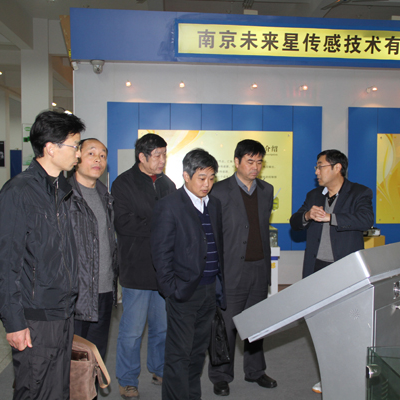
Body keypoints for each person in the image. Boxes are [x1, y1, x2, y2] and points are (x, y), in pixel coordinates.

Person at [0, 110, 84, 400]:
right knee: (35, 389)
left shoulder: (61, 190)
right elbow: (3, 263)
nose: (78, 154)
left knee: (57, 391)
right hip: (35, 316)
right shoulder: (19, 192)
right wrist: (14, 322)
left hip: (62, 311)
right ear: (51, 148)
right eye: (75, 146)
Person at [289, 149, 374, 394]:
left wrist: (331, 217)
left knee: (347, 326)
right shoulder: (314, 195)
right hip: (317, 269)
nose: (316, 171)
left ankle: (350, 374)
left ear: (337, 168)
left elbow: (366, 220)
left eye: (320, 166)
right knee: (321, 326)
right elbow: (295, 222)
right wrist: (307, 215)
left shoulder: (359, 192)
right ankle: (328, 375)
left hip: (345, 270)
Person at [151, 149, 226, 400]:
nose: (207, 184)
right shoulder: (169, 206)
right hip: (183, 291)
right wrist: (171, 290)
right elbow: (160, 253)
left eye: (211, 178)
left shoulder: (214, 204)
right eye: (202, 178)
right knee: (179, 354)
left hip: (209, 290)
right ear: (186, 175)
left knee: (197, 352)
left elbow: (217, 245)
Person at [208, 139, 277, 396]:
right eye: (250, 161)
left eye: (259, 162)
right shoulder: (218, 191)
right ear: (236, 162)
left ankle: (255, 371)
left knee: (256, 325)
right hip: (230, 271)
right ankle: (220, 376)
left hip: (259, 268)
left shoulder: (267, 190)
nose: (255, 167)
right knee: (225, 327)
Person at [112, 134, 176, 399]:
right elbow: (123, 223)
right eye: (157, 155)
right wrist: (161, 226)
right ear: (142, 156)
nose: (162, 160)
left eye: (164, 154)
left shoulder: (168, 184)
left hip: (163, 270)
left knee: (162, 328)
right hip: (136, 268)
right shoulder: (123, 183)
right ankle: (127, 379)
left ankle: (159, 369)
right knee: (132, 331)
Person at [68, 138, 118, 361]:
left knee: (95, 358)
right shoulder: (64, 196)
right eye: (91, 153)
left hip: (104, 291)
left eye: (103, 155)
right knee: (73, 360)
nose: (98, 159)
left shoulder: (105, 196)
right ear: (77, 156)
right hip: (76, 293)